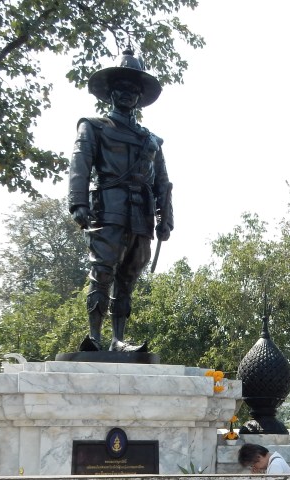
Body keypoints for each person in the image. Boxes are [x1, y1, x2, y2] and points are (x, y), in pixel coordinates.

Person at [68, 48, 174, 353]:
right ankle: (95, 336)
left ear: (139, 97)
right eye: (121, 89)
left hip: (140, 212)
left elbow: (163, 182)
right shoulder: (93, 125)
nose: (127, 94)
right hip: (108, 205)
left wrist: (166, 219)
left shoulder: (151, 140)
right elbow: (80, 164)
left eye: (133, 90)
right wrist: (78, 203)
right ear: (110, 93)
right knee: (102, 270)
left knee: (128, 277)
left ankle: (117, 339)